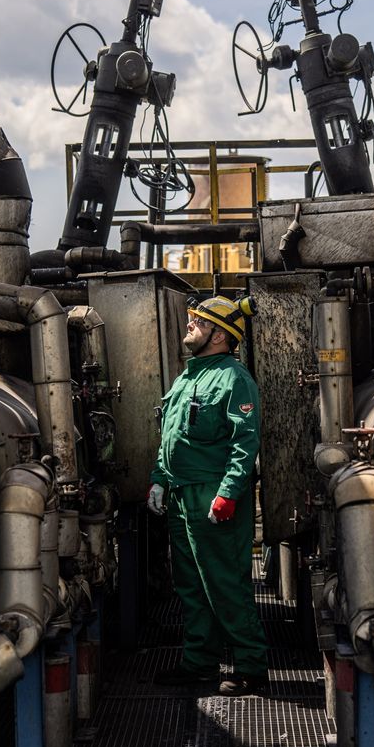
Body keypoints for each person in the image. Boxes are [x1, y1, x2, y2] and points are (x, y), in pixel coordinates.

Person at [146, 296, 268, 696]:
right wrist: (160, 479)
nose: (190, 326)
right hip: (181, 496)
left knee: (225, 582)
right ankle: (199, 662)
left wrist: (229, 493)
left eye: (198, 322)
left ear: (219, 335)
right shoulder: (186, 377)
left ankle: (250, 665)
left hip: (212, 497)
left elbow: (244, 442)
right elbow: (171, 436)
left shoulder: (235, 379)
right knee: (191, 586)